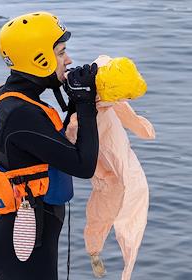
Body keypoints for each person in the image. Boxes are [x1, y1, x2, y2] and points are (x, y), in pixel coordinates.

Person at [0, 12, 99, 280]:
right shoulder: (22, 114)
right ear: (39, 58)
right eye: (61, 52)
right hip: (24, 249)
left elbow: (54, 147)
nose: (68, 60)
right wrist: (87, 105)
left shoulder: (12, 100)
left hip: (16, 238)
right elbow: (83, 164)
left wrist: (77, 102)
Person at [66, 55, 155, 280]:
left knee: (135, 193)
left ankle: (100, 252)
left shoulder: (107, 83)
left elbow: (124, 110)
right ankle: (95, 251)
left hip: (116, 151)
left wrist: (140, 127)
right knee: (109, 198)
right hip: (102, 163)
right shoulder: (88, 109)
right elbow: (72, 137)